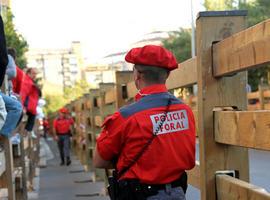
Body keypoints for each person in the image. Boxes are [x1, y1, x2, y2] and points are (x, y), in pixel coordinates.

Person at [93, 45, 196, 200]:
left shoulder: (126, 116)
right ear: (166, 75)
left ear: (137, 75)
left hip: (139, 194)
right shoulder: (185, 111)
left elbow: (99, 160)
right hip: (177, 193)